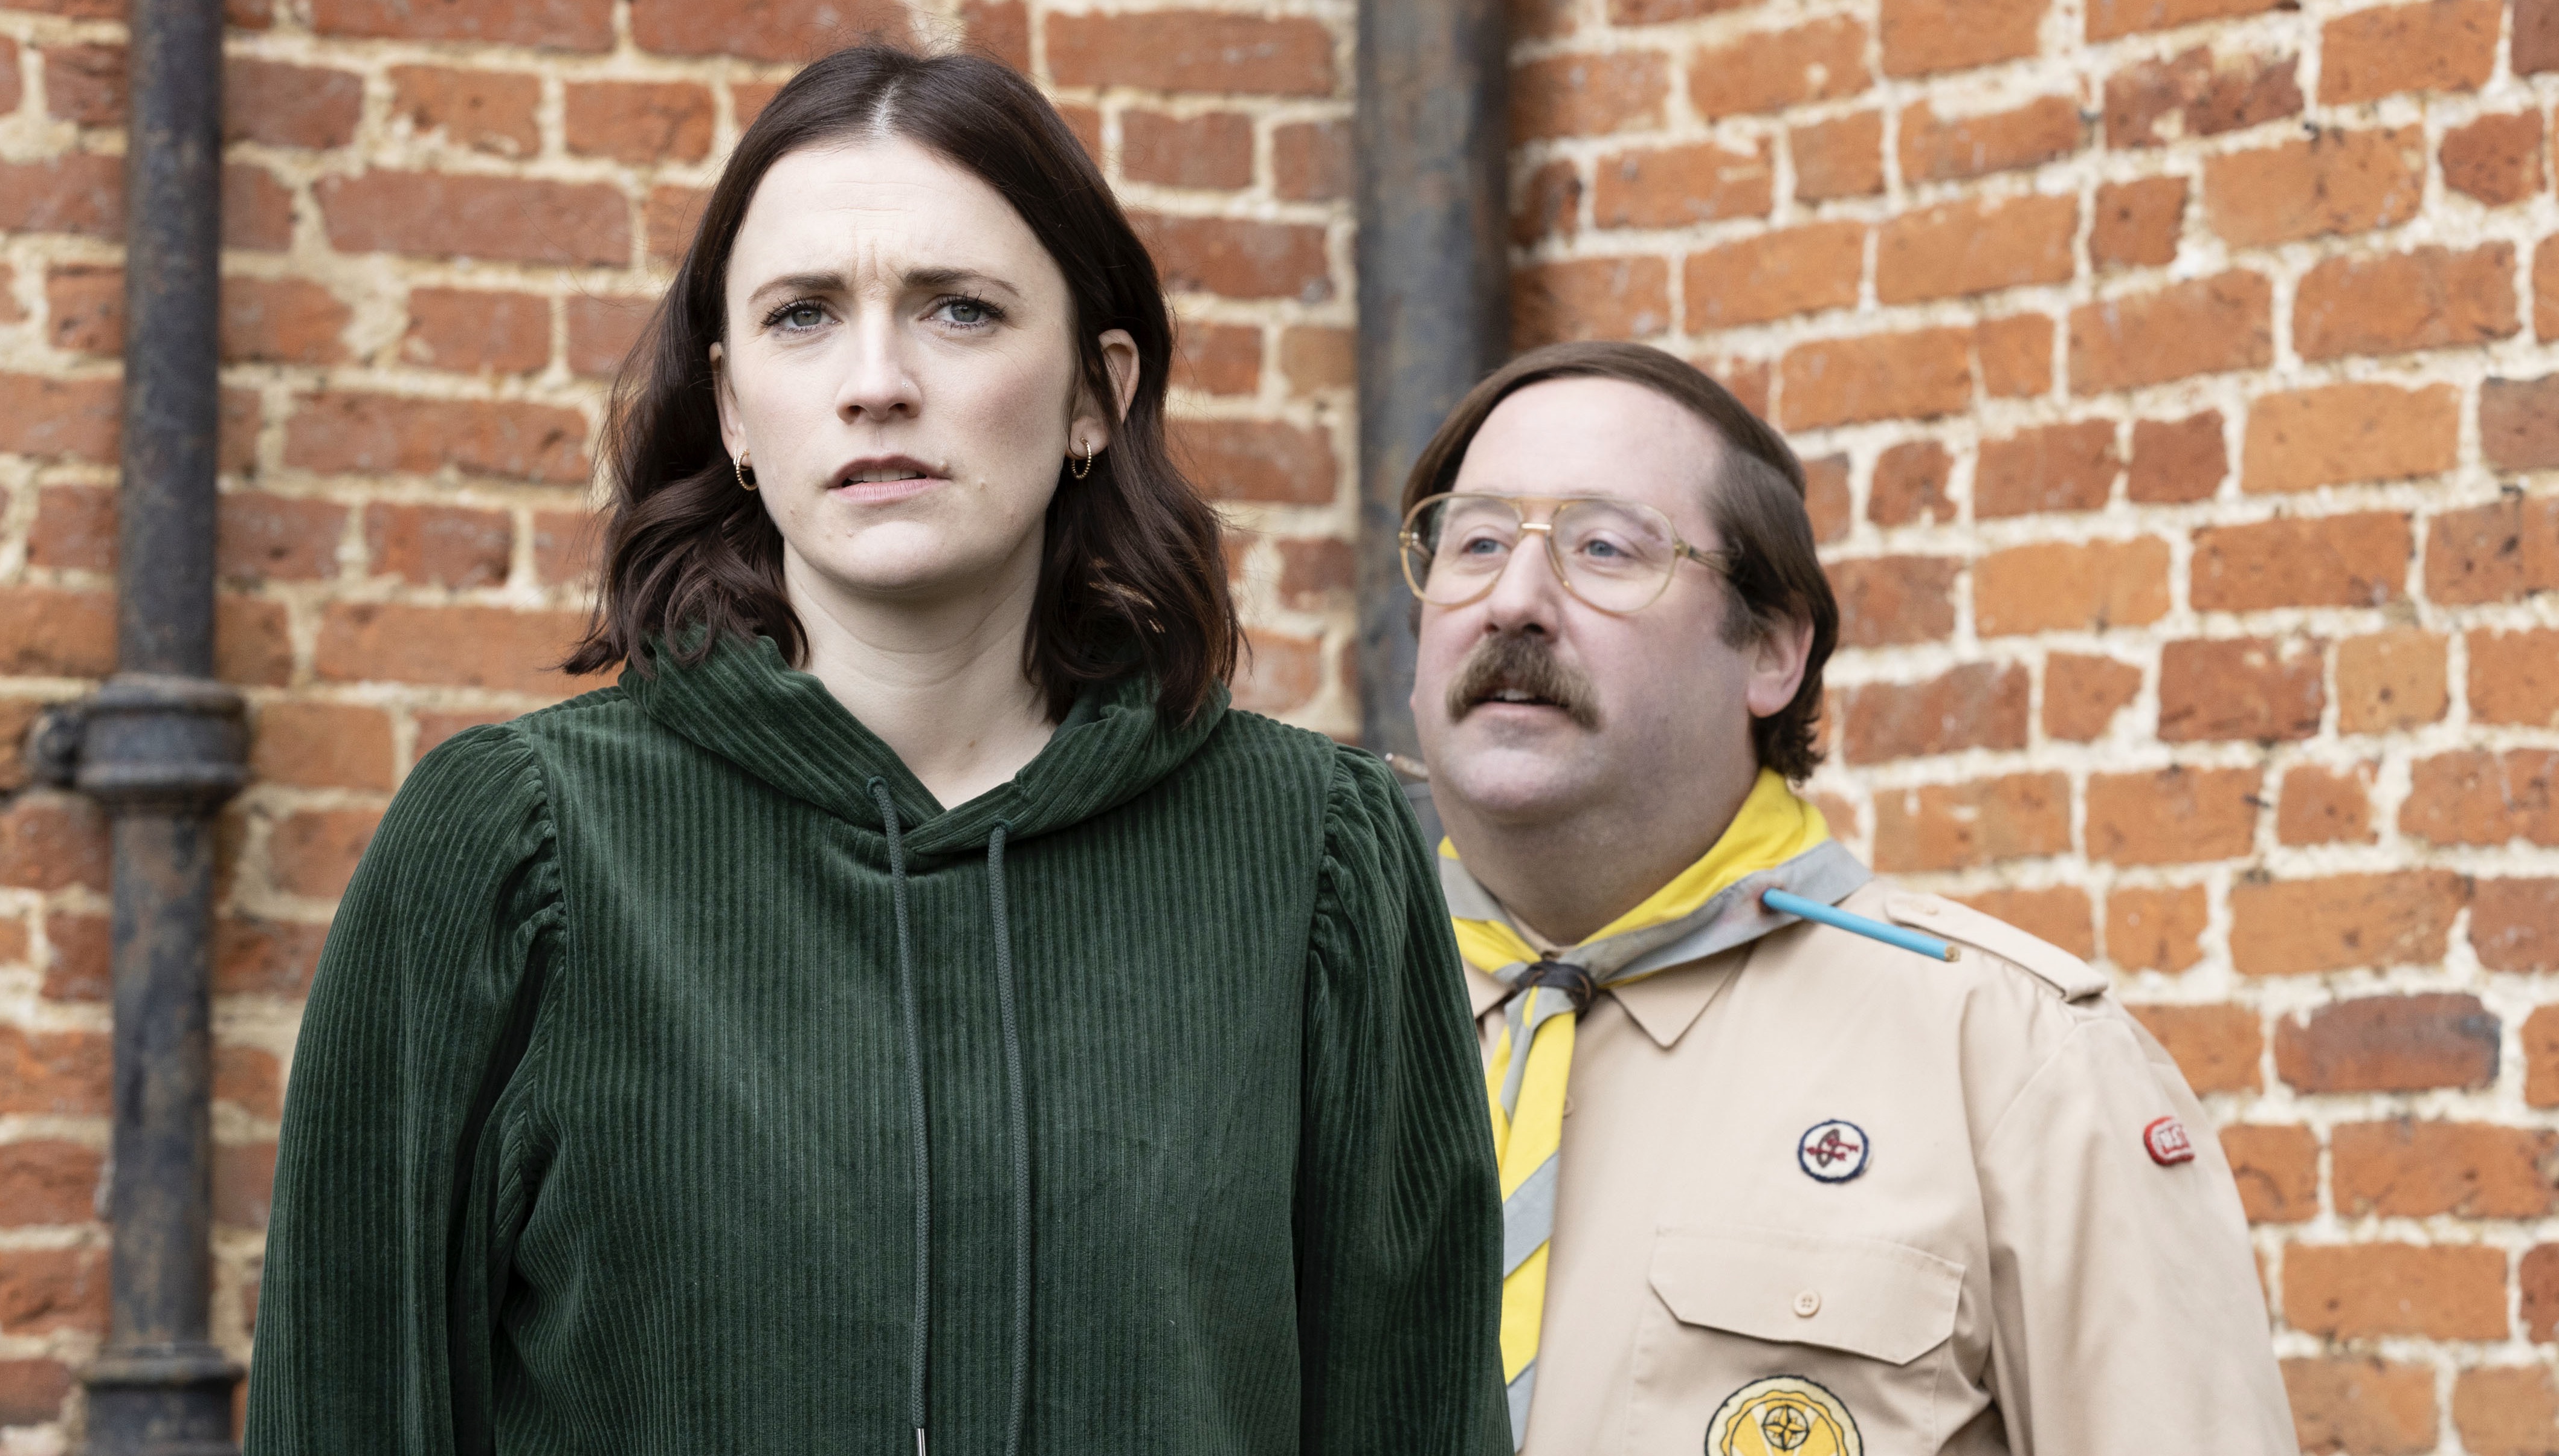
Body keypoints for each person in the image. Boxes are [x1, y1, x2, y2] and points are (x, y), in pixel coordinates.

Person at [247, 46, 1509, 1455]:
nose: (876, 381)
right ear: (731, 408)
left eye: (960, 310)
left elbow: (1417, 1417)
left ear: (1097, 391)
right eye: (803, 317)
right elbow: (347, 1407)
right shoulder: (517, 843)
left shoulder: (1317, 857)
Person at [1396, 341, 2296, 1455]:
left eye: (1604, 548)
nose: (1515, 598)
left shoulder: (2014, 1065)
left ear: (1770, 650)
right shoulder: (1298, 1033)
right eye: (1476, 542)